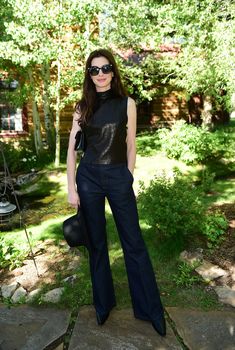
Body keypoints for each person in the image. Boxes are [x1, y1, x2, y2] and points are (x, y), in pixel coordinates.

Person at [66, 49, 166, 336]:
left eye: (105, 68)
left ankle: (151, 311)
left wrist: (128, 177)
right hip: (89, 179)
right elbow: (72, 153)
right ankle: (103, 305)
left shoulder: (127, 103)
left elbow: (131, 144)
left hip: (118, 175)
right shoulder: (81, 107)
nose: (100, 74)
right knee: (97, 245)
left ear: (113, 70)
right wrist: (71, 188)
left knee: (133, 242)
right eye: (94, 70)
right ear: (89, 74)